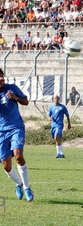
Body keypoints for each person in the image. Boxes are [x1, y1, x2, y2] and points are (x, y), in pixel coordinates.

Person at [0, 68, 34, 202]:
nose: (2, 79)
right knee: (6, 165)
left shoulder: (12, 88)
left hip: (16, 127)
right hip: (1, 132)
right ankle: (19, 184)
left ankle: (26, 187)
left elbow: (26, 101)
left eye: (2, 76)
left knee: (19, 156)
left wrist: (15, 98)